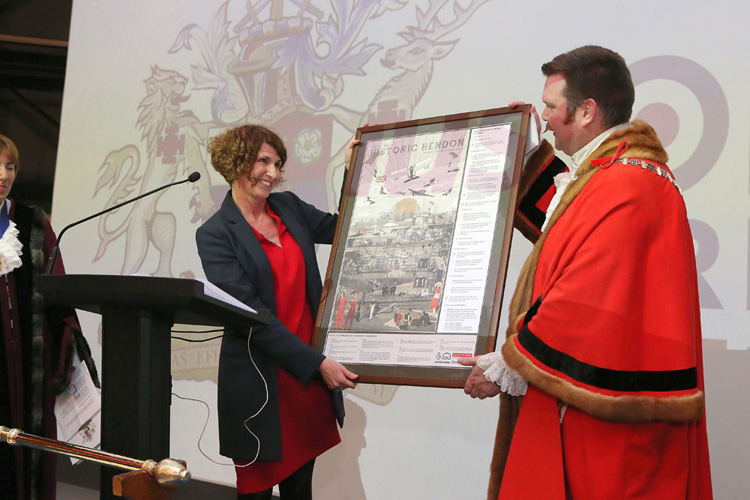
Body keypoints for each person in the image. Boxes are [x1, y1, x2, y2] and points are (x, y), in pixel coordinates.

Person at [460, 46, 713, 500]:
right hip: (594, 409)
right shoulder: (615, 173)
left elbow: (585, 296)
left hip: (605, 427)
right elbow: (567, 236)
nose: (546, 116)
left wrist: (506, 364)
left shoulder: (628, 184)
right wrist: (526, 157)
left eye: (553, 108)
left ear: (587, 111)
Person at [195, 125, 359, 500]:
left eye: (277, 163)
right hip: (261, 382)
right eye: (262, 161)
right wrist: (317, 363)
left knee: (300, 490)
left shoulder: (289, 208)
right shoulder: (216, 233)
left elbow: (346, 228)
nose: (272, 172)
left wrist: (354, 167)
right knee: (255, 493)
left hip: (306, 381)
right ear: (236, 162)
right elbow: (250, 315)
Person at [0, 134, 98, 500]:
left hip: (26, 375)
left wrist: (67, 358)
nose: (4, 174)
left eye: (10, 166)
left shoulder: (33, 223)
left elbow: (60, 297)